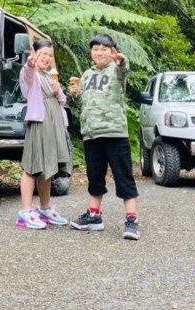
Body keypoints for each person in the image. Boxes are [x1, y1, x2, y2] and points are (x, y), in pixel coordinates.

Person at [69, 34, 139, 240]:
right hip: (91, 133)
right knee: (94, 177)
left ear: (112, 52)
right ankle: (94, 217)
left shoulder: (116, 70)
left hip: (114, 132)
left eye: (104, 48)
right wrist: (76, 95)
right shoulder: (86, 74)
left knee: (123, 176)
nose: (99, 52)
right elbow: (83, 104)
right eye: (95, 48)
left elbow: (124, 68)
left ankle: (132, 220)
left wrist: (122, 60)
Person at [15, 38, 72, 229]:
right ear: (35, 54)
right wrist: (31, 63)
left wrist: (58, 91)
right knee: (32, 166)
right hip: (39, 123)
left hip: (53, 125)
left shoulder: (49, 76)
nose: (46, 58)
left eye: (50, 55)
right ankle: (25, 211)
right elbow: (29, 72)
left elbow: (62, 101)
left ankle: (45, 208)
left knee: (47, 166)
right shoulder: (30, 74)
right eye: (43, 54)